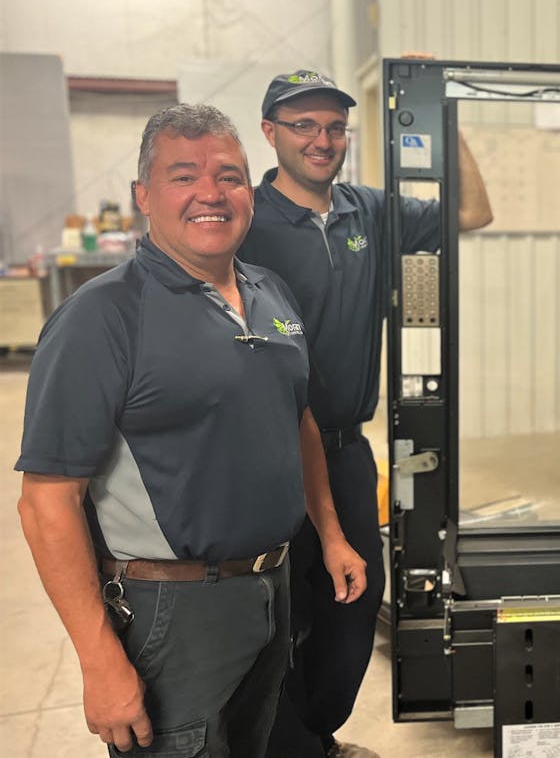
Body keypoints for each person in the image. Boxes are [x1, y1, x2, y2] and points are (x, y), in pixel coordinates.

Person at [15, 104, 366, 757]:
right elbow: (45, 503)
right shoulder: (101, 318)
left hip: (271, 589)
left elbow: (299, 421)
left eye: (229, 176)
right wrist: (98, 660)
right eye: (184, 176)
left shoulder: (271, 294)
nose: (211, 192)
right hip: (170, 610)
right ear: (144, 196)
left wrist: (333, 535)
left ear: (249, 193)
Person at [239, 69, 492, 758]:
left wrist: (445, 114)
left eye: (334, 127)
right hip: (262, 453)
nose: (322, 141)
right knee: (275, 611)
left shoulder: (370, 212)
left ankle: (314, 736)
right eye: (303, 126)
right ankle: (286, 746)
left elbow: (472, 213)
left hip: (347, 448)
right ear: (270, 133)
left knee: (353, 599)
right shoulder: (243, 222)